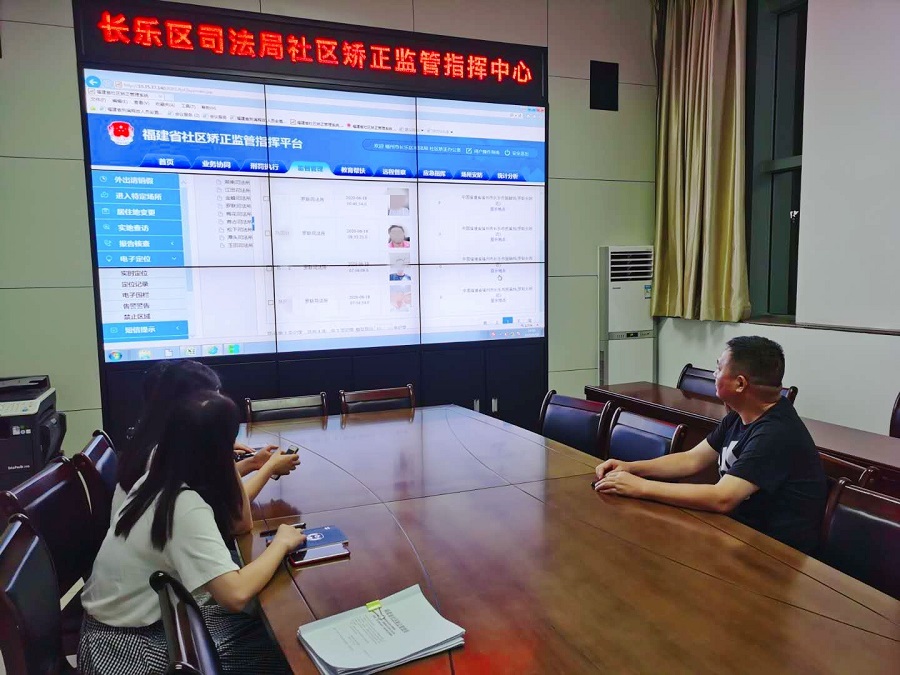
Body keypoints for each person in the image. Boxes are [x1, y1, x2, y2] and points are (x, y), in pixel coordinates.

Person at [79, 391, 303, 674]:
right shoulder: (183, 506)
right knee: (287, 651)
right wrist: (281, 543)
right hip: (126, 653)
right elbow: (235, 595)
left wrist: (236, 462)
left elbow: (235, 521)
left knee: (271, 628)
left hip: (123, 632)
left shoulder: (159, 477)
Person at [593, 336, 827, 554]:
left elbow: (722, 497)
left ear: (740, 384)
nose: (714, 374)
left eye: (719, 368)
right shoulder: (739, 415)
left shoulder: (776, 433)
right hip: (737, 535)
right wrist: (631, 468)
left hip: (773, 554)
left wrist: (640, 487)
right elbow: (691, 459)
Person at [114, 360, 299, 520]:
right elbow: (237, 515)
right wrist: (269, 468)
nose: (219, 400)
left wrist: (253, 463)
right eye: (213, 395)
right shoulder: (166, 450)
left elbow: (209, 487)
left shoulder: (154, 436)